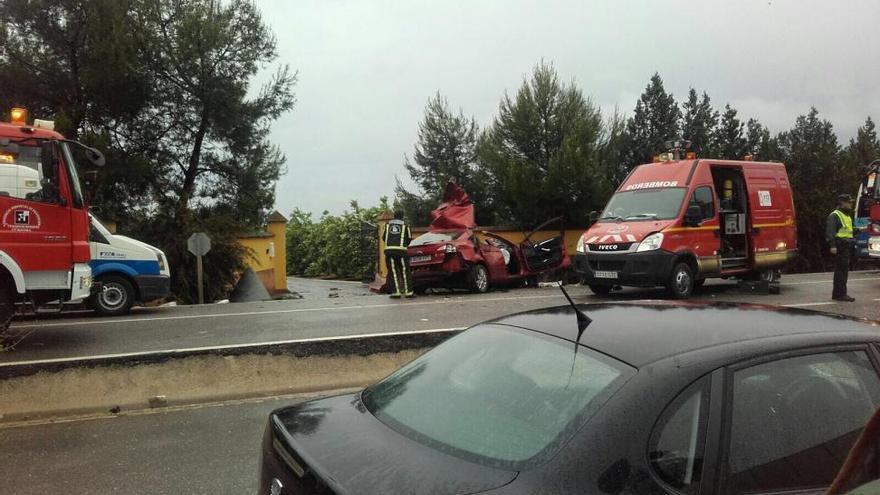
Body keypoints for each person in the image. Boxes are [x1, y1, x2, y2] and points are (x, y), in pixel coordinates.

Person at [827, 194, 857, 302]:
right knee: (841, 271)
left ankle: (838, 294)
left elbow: (847, 231)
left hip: (846, 246)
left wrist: (858, 230)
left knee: (843, 270)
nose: (851, 204)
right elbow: (831, 232)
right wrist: (833, 245)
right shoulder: (835, 215)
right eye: (849, 202)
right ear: (842, 203)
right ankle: (840, 294)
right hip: (840, 246)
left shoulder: (847, 215)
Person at [383, 211, 414, 298]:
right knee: (405, 271)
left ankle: (396, 292)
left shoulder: (387, 225)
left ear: (394, 216)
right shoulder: (405, 226)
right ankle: (408, 292)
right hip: (401, 252)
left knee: (393, 272)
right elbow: (409, 238)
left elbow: (384, 237)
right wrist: (404, 245)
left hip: (389, 251)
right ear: (402, 217)